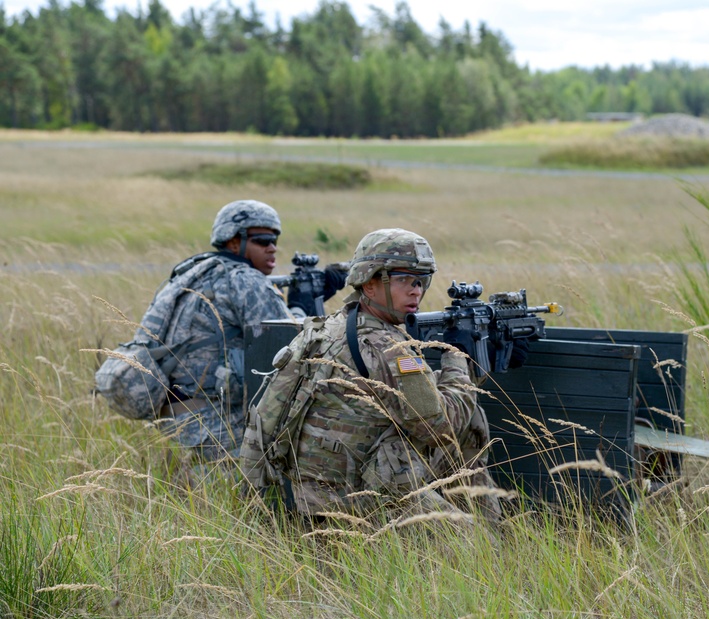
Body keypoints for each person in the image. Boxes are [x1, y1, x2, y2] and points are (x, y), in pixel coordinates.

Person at [240, 228, 502, 523]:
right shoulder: (389, 349)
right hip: (358, 501)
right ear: (369, 283)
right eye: (403, 279)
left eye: (421, 280)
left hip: (313, 493)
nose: (416, 290)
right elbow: (439, 429)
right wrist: (457, 357)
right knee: (479, 549)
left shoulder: (327, 327)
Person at [129, 200, 346, 470]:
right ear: (234, 243)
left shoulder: (193, 271)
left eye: (275, 239)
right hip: (212, 419)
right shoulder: (246, 281)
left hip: (173, 411)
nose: (272, 247)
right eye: (262, 240)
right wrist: (302, 303)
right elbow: (290, 345)